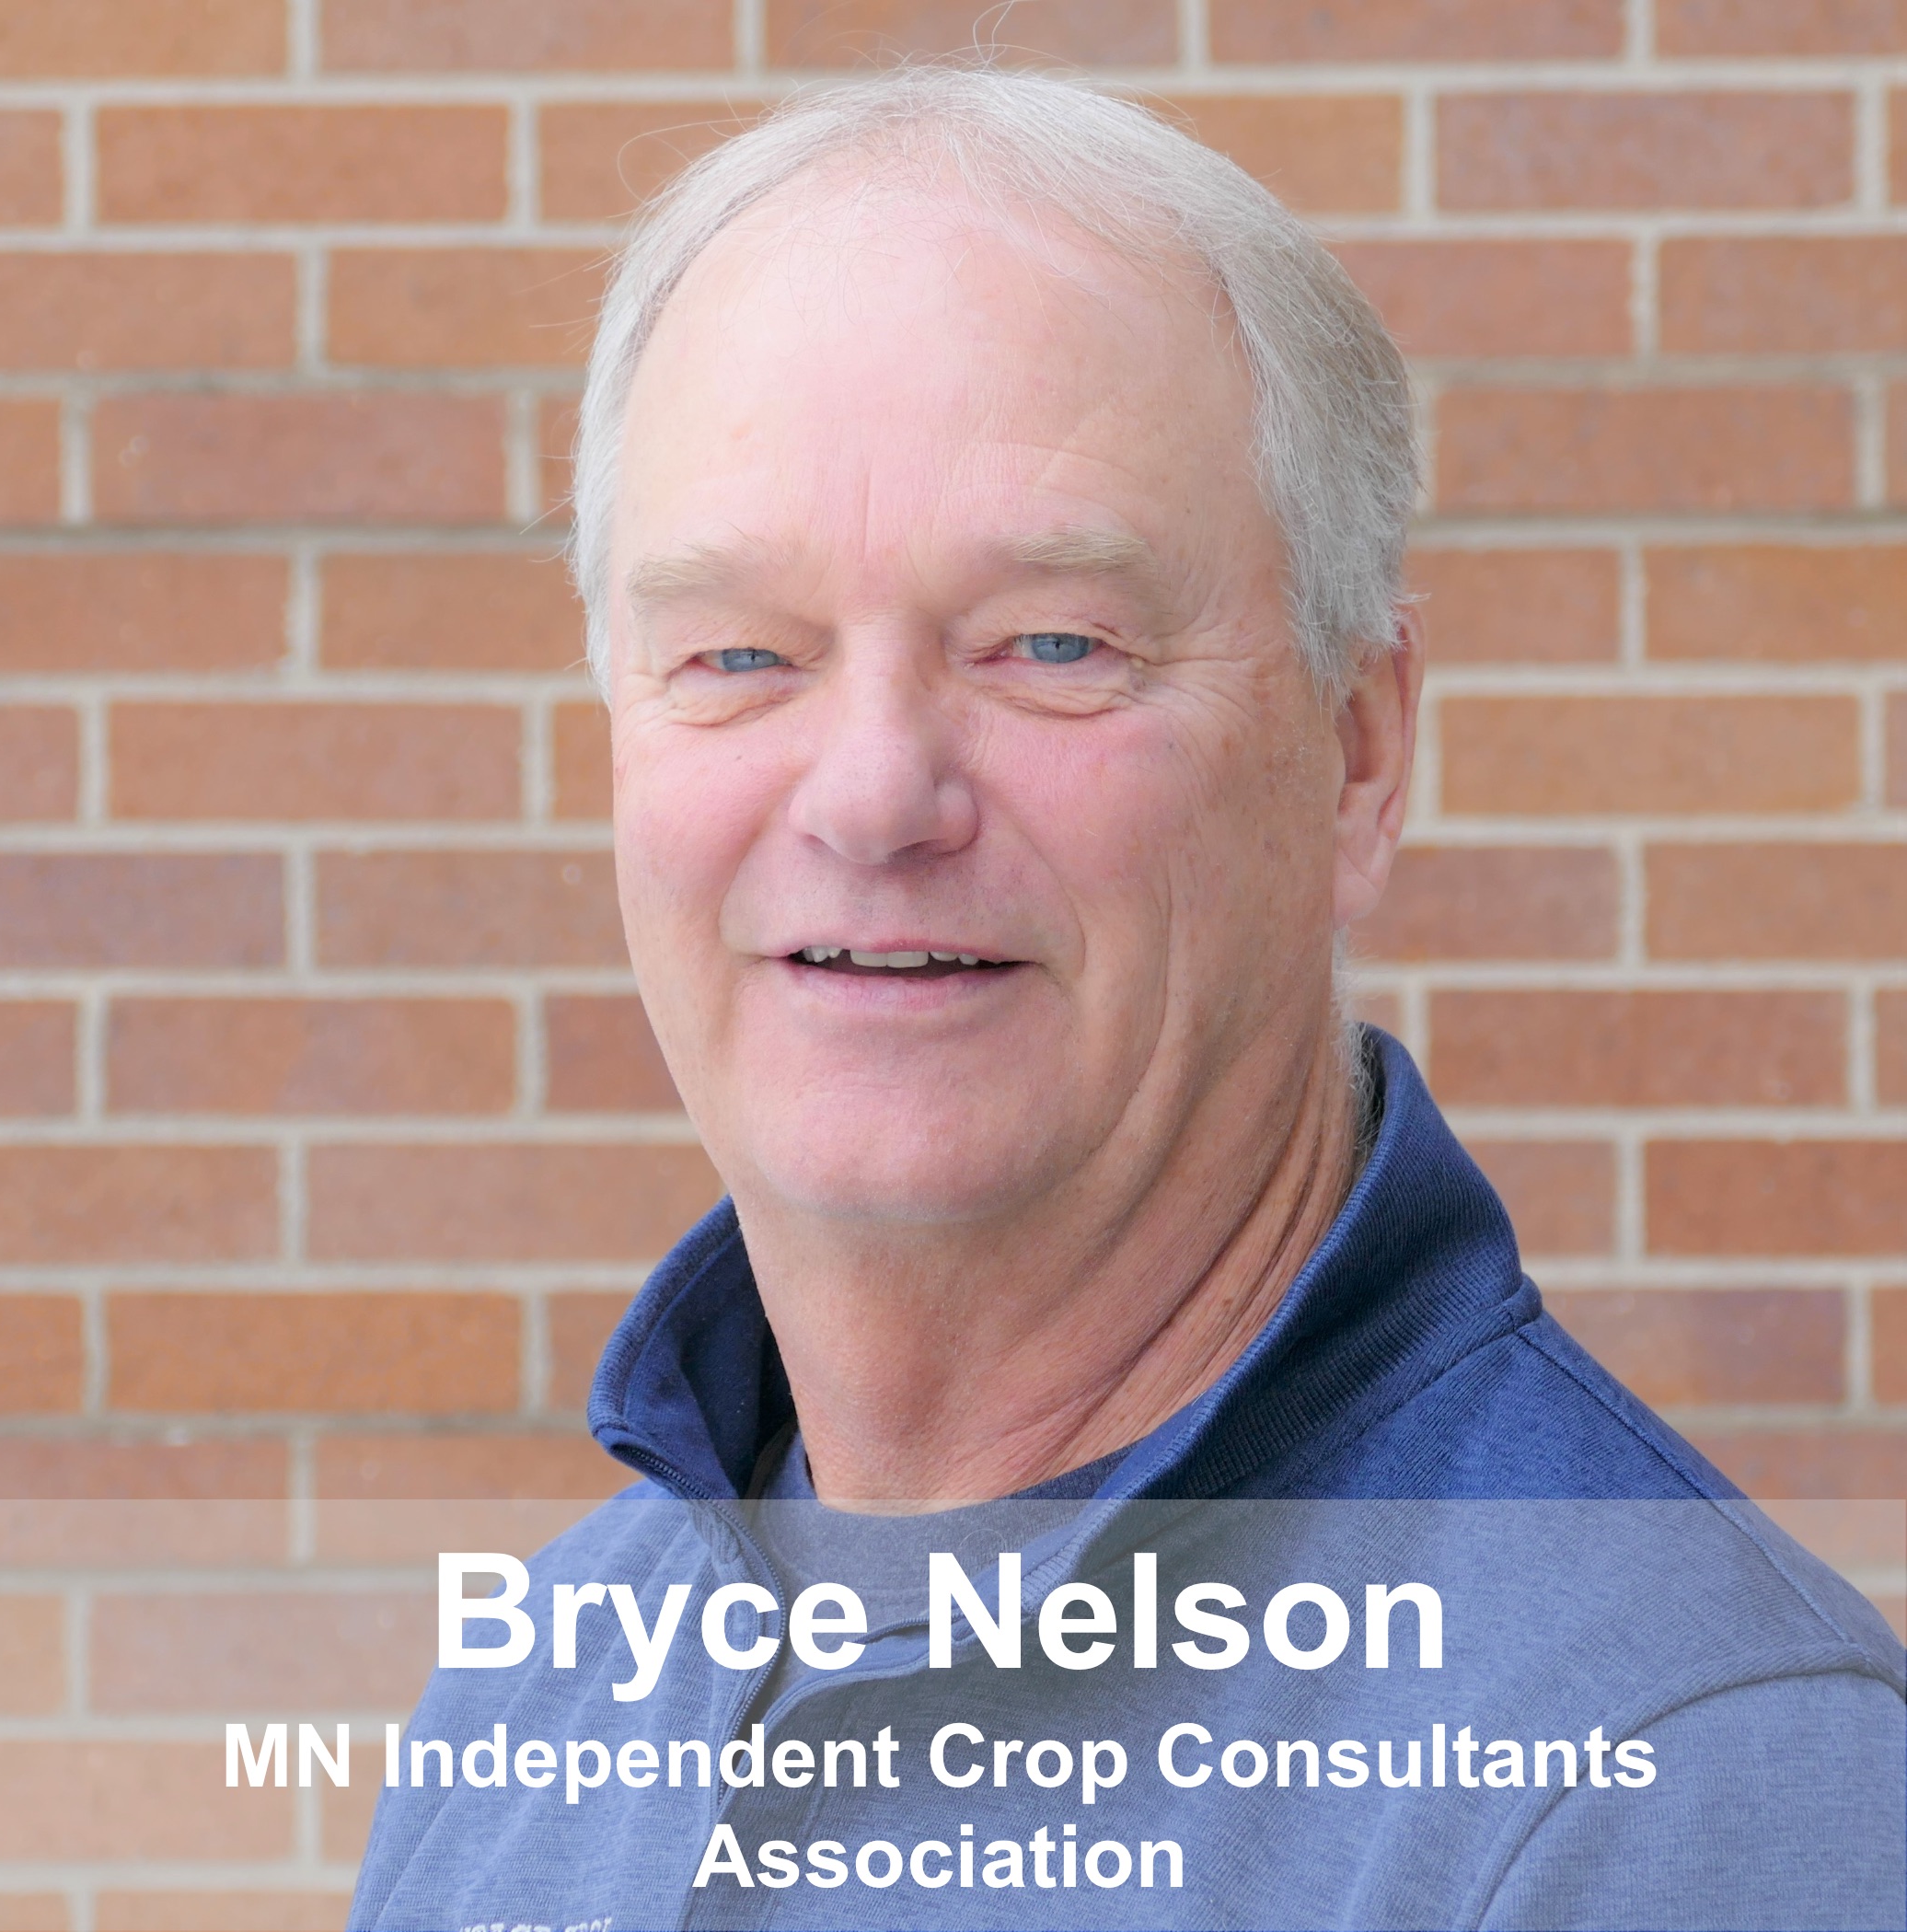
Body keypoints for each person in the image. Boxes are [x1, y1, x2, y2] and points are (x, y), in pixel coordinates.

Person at [350, 67, 1903, 1931]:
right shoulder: (526, 1713)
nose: (871, 795)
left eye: (1052, 646)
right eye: (738, 652)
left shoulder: (1675, 1799)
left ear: (1355, 746)